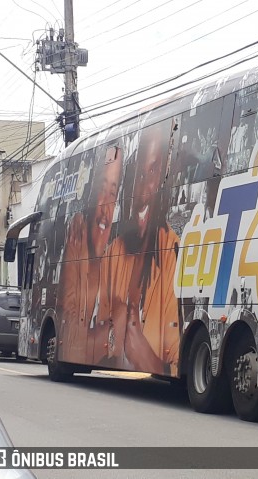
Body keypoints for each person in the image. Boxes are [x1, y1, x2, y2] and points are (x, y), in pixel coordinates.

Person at [96, 121, 181, 376]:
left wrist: (142, 353)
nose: (144, 189)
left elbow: (176, 361)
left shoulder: (172, 252)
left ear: (165, 176)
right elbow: (101, 348)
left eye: (153, 172)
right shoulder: (114, 253)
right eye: (139, 176)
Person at [57, 145, 124, 365]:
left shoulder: (117, 254)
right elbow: (71, 325)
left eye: (112, 193)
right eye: (102, 191)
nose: (105, 205)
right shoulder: (76, 240)